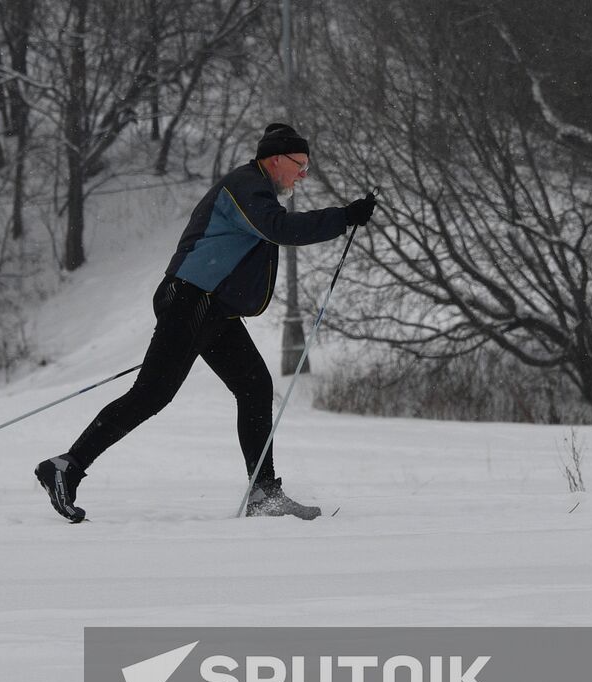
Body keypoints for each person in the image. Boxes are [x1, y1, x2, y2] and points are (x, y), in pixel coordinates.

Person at [35, 123, 375, 523]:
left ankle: (264, 494)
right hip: (191, 300)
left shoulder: (258, 189)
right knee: (152, 394)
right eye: (300, 165)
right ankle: (66, 467)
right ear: (276, 159)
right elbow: (279, 229)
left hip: (215, 309)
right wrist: (343, 217)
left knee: (254, 386)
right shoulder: (247, 187)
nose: (303, 174)